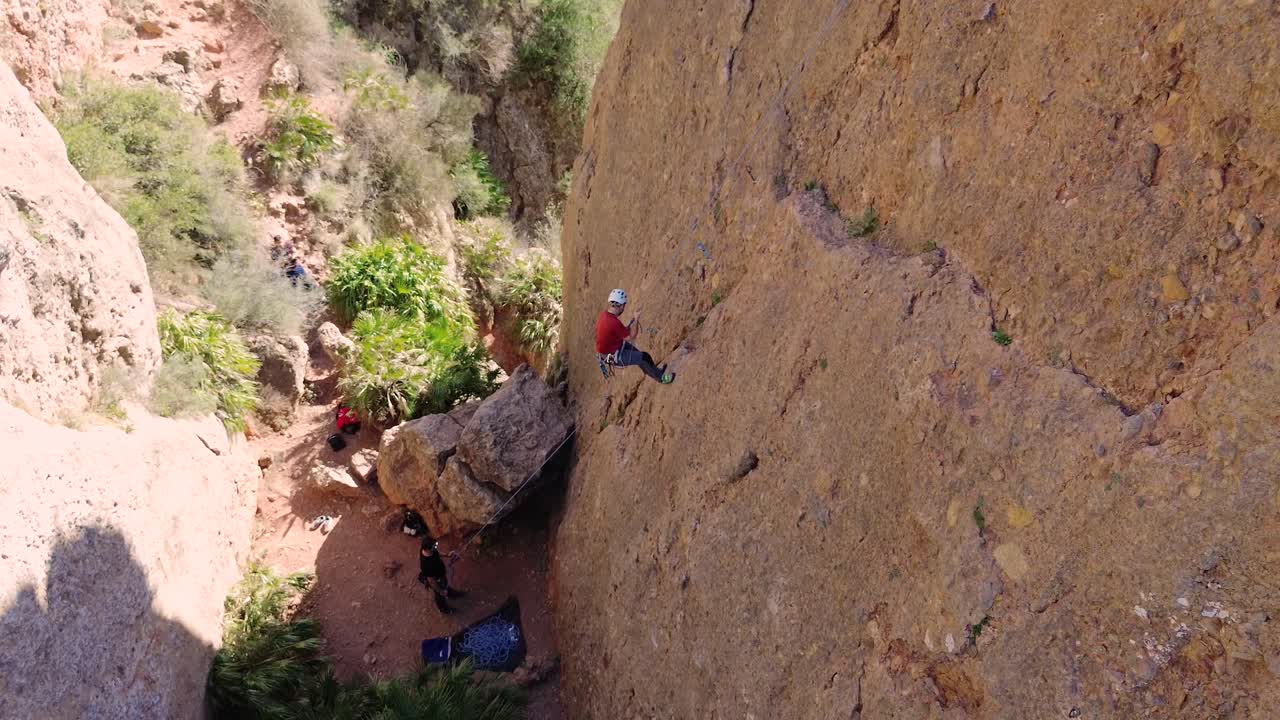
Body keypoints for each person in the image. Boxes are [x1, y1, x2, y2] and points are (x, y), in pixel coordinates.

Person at [595, 288, 674, 384]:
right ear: (620, 305)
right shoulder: (613, 322)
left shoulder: (605, 315)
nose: (624, 308)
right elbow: (632, 336)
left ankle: (656, 372)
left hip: (613, 348)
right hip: (613, 356)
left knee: (644, 357)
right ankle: (662, 379)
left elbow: (614, 332)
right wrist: (636, 320)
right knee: (643, 357)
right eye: (624, 305)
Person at [418, 537, 464, 615]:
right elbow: (432, 582)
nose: (436, 547)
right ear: (428, 549)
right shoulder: (426, 565)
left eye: (436, 545)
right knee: (439, 595)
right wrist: (441, 591)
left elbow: (436, 552)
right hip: (437, 580)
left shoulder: (429, 550)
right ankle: (443, 608)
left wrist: (447, 555)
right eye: (434, 546)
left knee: (445, 585)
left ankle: (449, 593)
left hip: (441, 575)